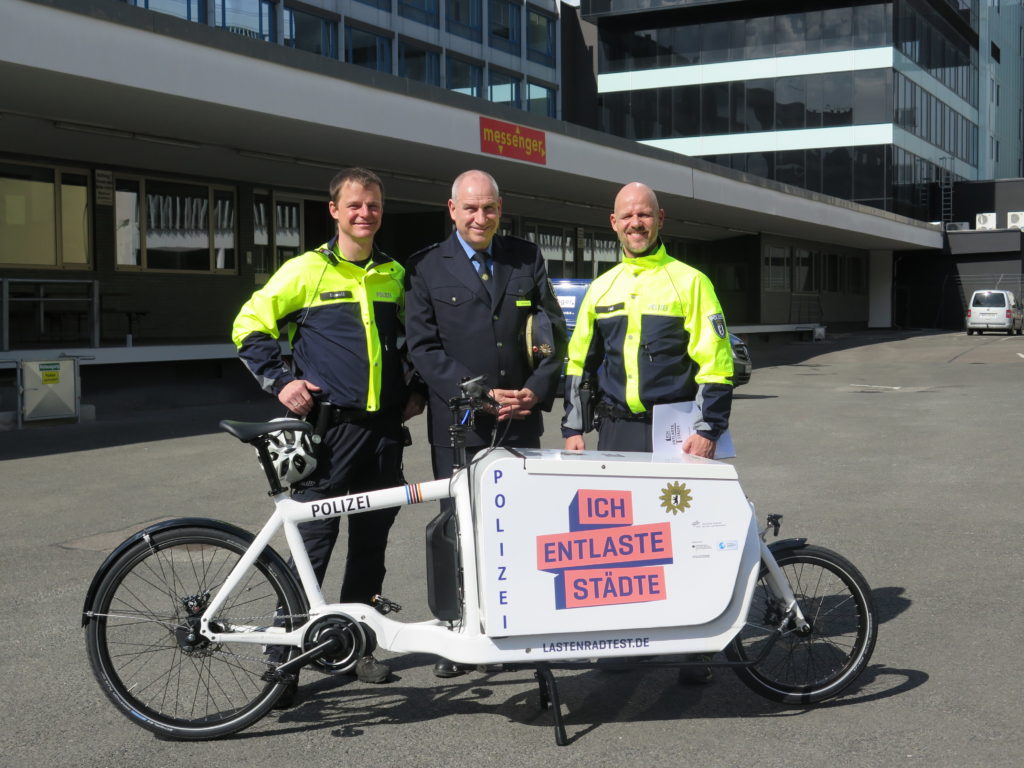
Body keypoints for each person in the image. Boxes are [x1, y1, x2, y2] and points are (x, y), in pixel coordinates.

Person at [232, 167, 423, 702]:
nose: (366, 214)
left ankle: (352, 645)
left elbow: (415, 340)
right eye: (355, 205)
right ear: (334, 210)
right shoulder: (306, 271)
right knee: (312, 544)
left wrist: (417, 391)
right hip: (328, 432)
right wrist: (281, 380)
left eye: (375, 206)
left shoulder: (394, 274)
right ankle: (285, 659)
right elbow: (248, 324)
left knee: (370, 544)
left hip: (383, 433)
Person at [560, 181, 734, 683]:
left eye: (644, 215)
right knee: (619, 542)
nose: (635, 223)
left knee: (686, 541)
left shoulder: (691, 282)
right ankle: (625, 641)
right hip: (617, 431)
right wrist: (574, 428)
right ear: (612, 223)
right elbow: (579, 363)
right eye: (626, 216)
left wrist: (709, 429)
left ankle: (695, 645)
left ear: (661, 220)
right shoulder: (602, 287)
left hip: (677, 433)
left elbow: (716, 363)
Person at [405, 169, 567, 678]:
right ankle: (457, 632)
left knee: (520, 528)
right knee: (460, 528)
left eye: (489, 208)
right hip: (460, 426)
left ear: (502, 208)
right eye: (470, 209)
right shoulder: (427, 268)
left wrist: (537, 390)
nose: (480, 217)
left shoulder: (527, 258)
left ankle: (515, 625)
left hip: (519, 420)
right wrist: (473, 393)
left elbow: (552, 333)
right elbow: (423, 349)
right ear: (452, 210)